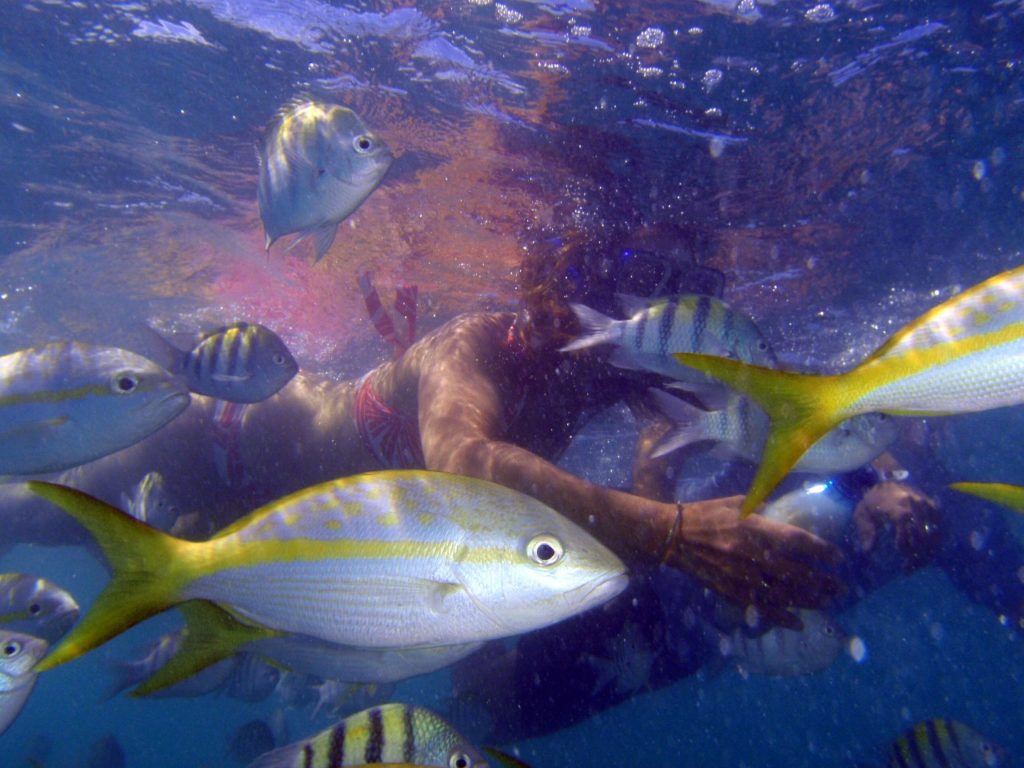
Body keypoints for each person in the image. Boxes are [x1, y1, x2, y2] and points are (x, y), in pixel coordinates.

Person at [2, 225, 844, 630]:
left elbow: (659, 446)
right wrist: (670, 531)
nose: (584, 316)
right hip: (216, 445)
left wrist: (684, 533)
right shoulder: (468, 344)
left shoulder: (609, 369)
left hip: (276, 534)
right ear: (541, 287)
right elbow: (465, 461)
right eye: (580, 286)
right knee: (39, 509)